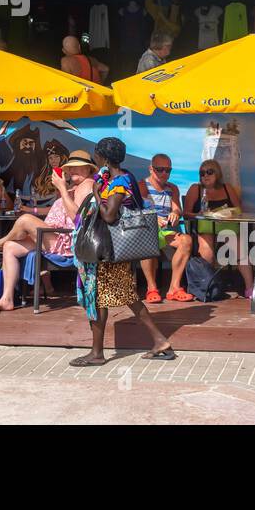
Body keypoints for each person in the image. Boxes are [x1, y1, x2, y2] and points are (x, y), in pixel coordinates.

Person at [69, 137, 175, 366]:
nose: (95, 158)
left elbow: (109, 215)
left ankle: (97, 354)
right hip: (113, 249)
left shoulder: (119, 182)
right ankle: (160, 342)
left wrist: (97, 193)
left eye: (97, 154)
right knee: (123, 297)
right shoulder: (117, 177)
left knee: (99, 297)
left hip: (112, 250)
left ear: (105, 158)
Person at [0, 150, 94, 317]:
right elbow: (58, 209)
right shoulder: (75, 187)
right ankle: (7, 299)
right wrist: (56, 194)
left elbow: (77, 218)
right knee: (10, 247)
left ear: (89, 169)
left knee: (26, 220)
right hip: (53, 234)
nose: (72, 171)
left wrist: (62, 189)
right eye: (71, 168)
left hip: (68, 240)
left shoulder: (88, 185)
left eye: (78, 167)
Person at [183, 159, 253, 297]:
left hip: (226, 226)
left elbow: (239, 210)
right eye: (202, 173)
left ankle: (250, 288)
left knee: (239, 248)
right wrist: (199, 214)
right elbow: (186, 213)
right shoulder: (196, 189)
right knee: (206, 248)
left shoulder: (227, 188)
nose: (205, 176)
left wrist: (228, 213)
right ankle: (208, 287)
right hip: (205, 227)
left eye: (209, 172)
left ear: (218, 174)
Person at [136, 153, 195, 302]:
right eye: (159, 169)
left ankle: (174, 288)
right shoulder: (142, 185)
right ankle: (151, 289)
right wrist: (154, 218)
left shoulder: (172, 188)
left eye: (168, 170)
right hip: (147, 230)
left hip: (166, 231)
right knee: (147, 239)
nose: (164, 173)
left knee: (186, 241)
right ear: (151, 169)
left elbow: (177, 209)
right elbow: (139, 210)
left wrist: (175, 214)